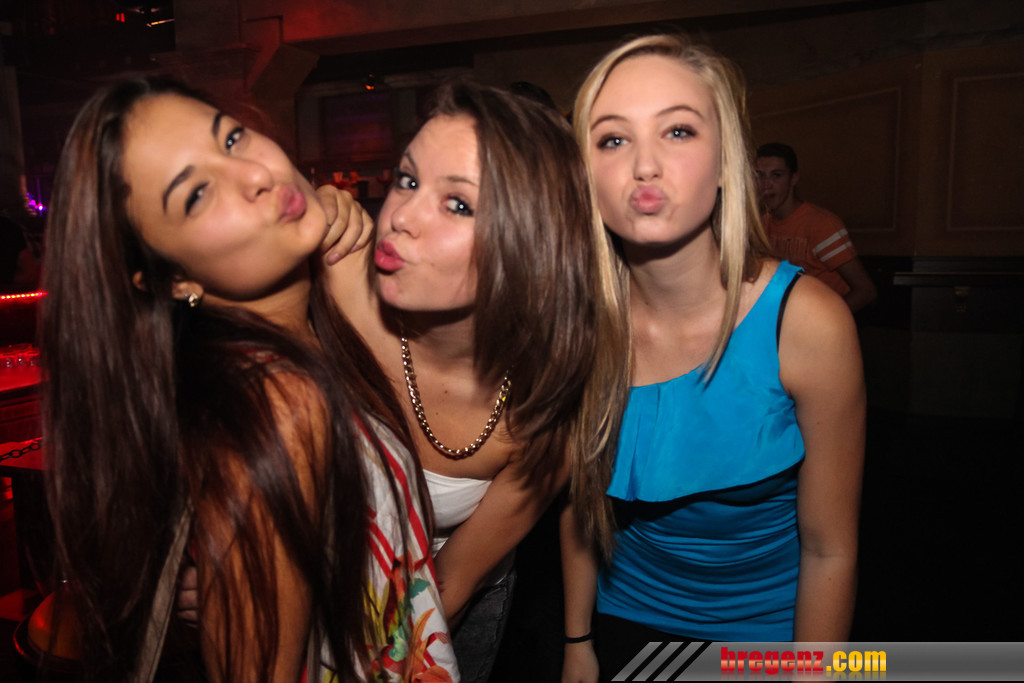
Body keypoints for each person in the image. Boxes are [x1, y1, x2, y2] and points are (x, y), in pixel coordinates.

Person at [40, 76, 455, 682]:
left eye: (232, 138)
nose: (257, 174)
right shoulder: (277, 405)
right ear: (173, 279)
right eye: (197, 194)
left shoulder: (304, 338)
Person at [562, 34, 865, 681]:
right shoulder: (574, 326)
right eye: (612, 139)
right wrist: (576, 641)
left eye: (677, 131)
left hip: (768, 633)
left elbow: (829, 549)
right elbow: (579, 508)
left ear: (727, 163)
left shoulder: (806, 323)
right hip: (622, 621)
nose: (645, 165)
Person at [322, 80, 628, 682]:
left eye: (458, 204)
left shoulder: (544, 413)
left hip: (435, 612)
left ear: (530, 246)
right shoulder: (334, 287)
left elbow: (451, 586)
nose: (401, 216)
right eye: (407, 180)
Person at [755, 142, 877, 312]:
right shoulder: (761, 224)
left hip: (823, 320)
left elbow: (866, 291)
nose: (766, 185)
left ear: (794, 178)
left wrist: (824, 321)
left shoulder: (821, 224)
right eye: (760, 175)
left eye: (776, 176)